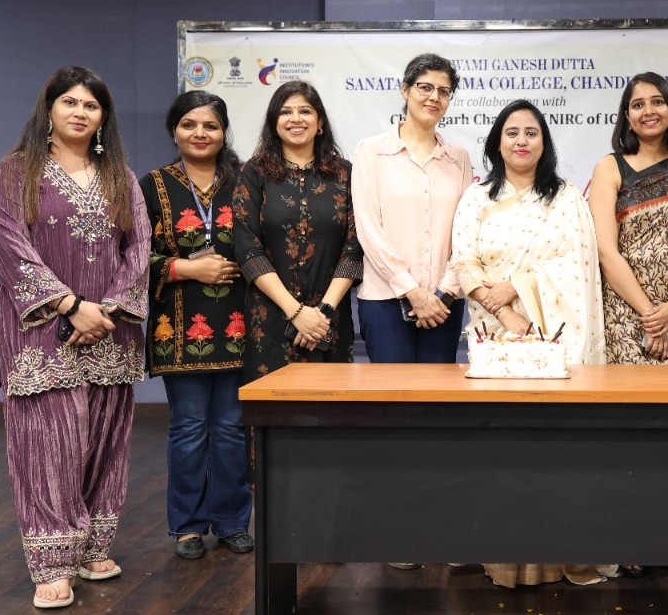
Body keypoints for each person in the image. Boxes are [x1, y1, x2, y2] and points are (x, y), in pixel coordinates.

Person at [0, 66, 149, 609]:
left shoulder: (120, 176)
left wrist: (107, 310)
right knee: (48, 443)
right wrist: (71, 306)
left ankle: (91, 548)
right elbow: (10, 247)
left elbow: (138, 249)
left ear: (103, 118)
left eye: (91, 105)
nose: (80, 112)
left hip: (109, 332)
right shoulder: (16, 172)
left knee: (103, 441)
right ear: (49, 110)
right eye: (70, 102)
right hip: (41, 333)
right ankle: (53, 562)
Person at [451, 98, 611, 588]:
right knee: (497, 446)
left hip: (555, 342)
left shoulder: (566, 198)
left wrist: (518, 286)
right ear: (497, 143)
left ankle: (562, 552)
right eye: (512, 132)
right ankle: (499, 552)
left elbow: (579, 266)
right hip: (496, 336)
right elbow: (464, 262)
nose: (521, 141)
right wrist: (505, 311)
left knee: (554, 448)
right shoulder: (476, 197)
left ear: (545, 143)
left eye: (531, 133)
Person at [140, 90, 253, 560]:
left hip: (241, 326)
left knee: (232, 429)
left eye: (210, 125)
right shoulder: (151, 185)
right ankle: (187, 526)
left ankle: (231, 522)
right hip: (179, 328)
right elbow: (129, 260)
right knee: (188, 429)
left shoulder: (245, 181)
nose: (200, 133)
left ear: (224, 132)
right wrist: (187, 268)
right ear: (174, 131)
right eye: (189, 124)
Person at [233, 80, 363, 380]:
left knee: (331, 403)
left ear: (320, 122)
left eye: (305, 111)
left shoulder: (345, 173)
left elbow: (354, 247)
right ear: (273, 122)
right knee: (273, 405)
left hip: (329, 321)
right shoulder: (254, 172)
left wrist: (322, 313)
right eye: (285, 112)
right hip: (270, 317)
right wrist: (296, 312)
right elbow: (247, 248)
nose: (295, 119)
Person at [588, 72, 668, 366]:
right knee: (630, 395)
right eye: (638, 105)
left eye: (657, 102)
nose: (648, 111)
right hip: (625, 316)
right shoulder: (610, 167)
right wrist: (651, 317)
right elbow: (606, 251)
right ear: (627, 116)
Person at [352, 53, 473, 364]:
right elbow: (369, 230)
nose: (434, 97)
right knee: (391, 392)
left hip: (444, 303)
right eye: (425, 87)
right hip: (385, 299)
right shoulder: (371, 151)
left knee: (437, 392)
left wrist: (444, 291)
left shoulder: (458, 158)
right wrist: (413, 292)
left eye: (443, 91)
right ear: (405, 89)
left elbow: (466, 233)